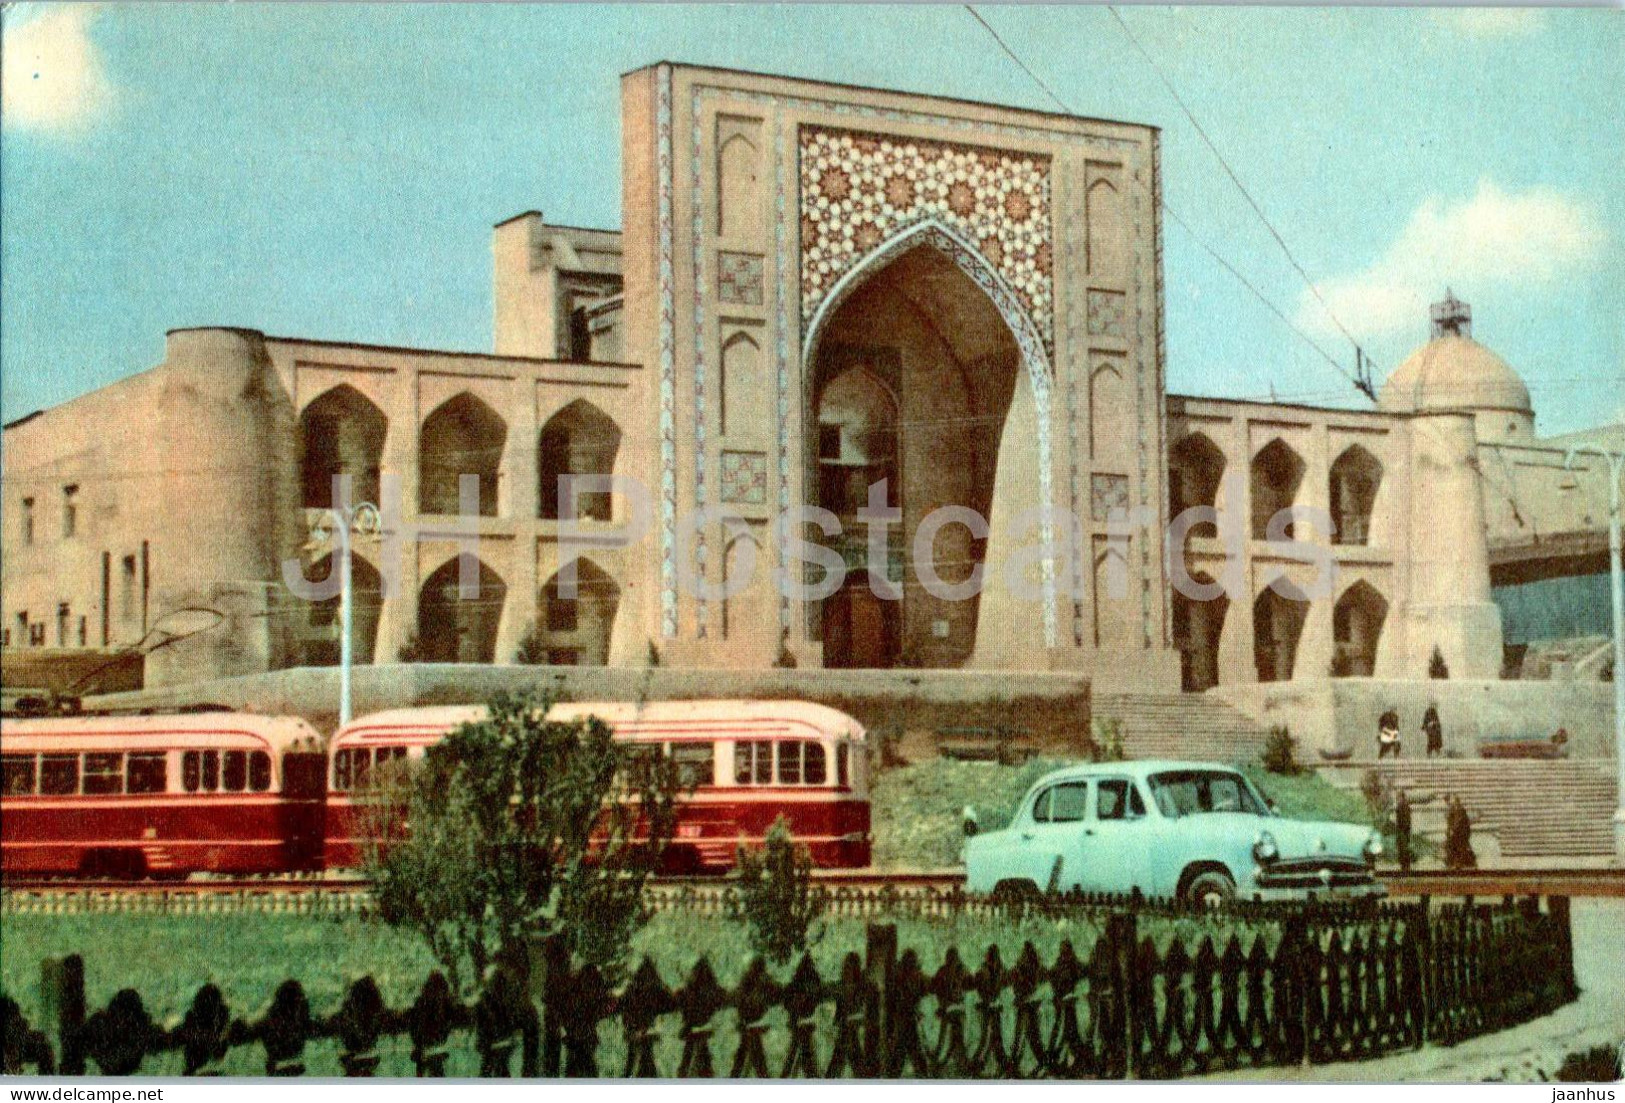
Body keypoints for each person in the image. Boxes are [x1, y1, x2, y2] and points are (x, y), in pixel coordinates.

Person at [1394, 788, 1413, 872]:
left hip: (1403, 831)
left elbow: (1404, 820)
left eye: (1398, 796)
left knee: (1403, 849)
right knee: (1404, 849)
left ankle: (1405, 866)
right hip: (1404, 831)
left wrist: (1402, 829)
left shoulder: (1402, 805)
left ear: (1401, 796)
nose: (1397, 798)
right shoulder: (1404, 805)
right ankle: (1405, 866)